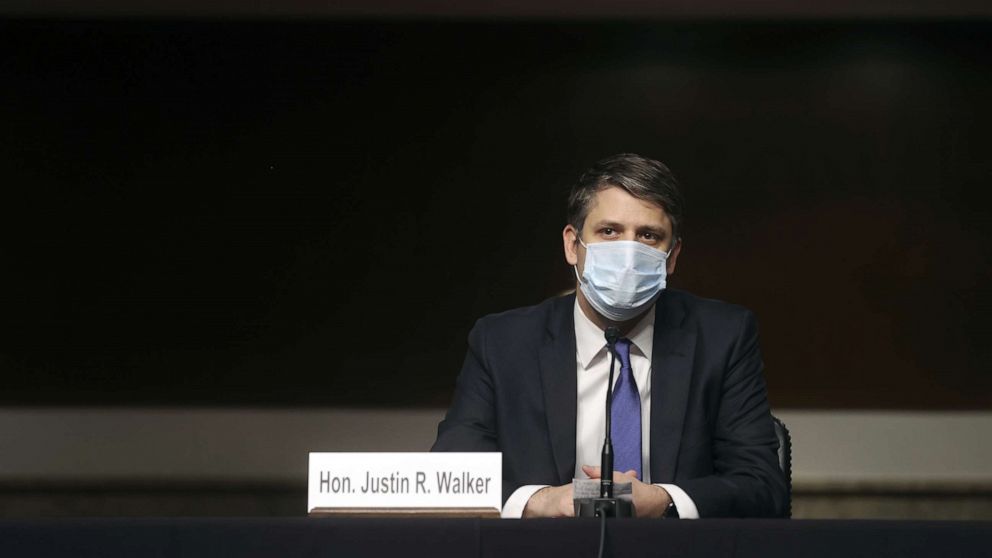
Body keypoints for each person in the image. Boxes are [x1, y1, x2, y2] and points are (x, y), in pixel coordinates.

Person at [432, 153, 788, 518]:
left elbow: (760, 484)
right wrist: (540, 502)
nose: (628, 252)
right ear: (573, 245)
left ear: (672, 257)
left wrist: (664, 500)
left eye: (649, 236)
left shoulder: (722, 337)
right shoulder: (503, 342)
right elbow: (451, 474)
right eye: (609, 231)